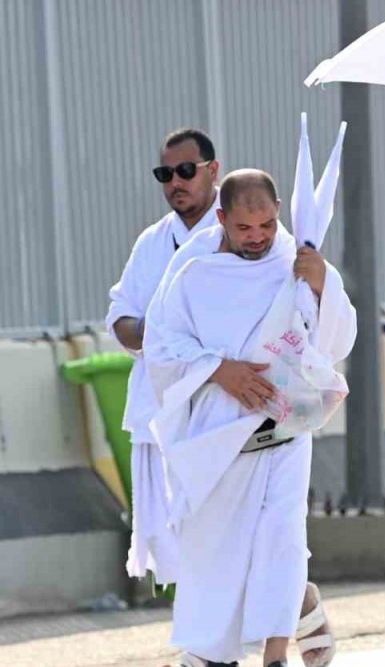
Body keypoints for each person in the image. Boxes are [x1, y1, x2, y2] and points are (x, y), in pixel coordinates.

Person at [145, 170, 351, 667]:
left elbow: (335, 340)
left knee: (281, 539)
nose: (257, 236)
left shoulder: (298, 262)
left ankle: (275, 654)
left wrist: (322, 285)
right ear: (222, 219)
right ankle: (215, 652)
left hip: (284, 431)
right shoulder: (191, 271)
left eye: (266, 224)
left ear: (279, 210)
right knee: (221, 555)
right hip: (219, 438)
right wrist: (220, 371)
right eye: (245, 228)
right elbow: (162, 346)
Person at [106, 128, 222, 586]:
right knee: (175, 544)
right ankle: (208, 651)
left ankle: (289, 607)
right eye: (166, 173)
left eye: (186, 171)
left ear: (213, 171)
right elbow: (121, 315)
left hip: (221, 408)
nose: (176, 181)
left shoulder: (243, 230)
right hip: (159, 408)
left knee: (227, 533)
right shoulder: (151, 242)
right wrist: (153, 334)